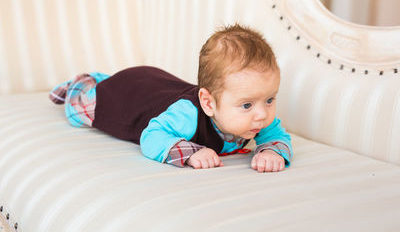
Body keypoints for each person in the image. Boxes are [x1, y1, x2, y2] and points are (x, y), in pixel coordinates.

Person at [49, 24, 293, 173]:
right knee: (83, 108)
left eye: (270, 99)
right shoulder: (187, 116)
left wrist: (272, 152)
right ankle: (83, 83)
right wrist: (189, 152)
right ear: (208, 103)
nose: (262, 114)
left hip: (156, 82)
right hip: (128, 95)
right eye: (247, 105)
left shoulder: (255, 119)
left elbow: (276, 135)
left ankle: (103, 78)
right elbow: (152, 137)